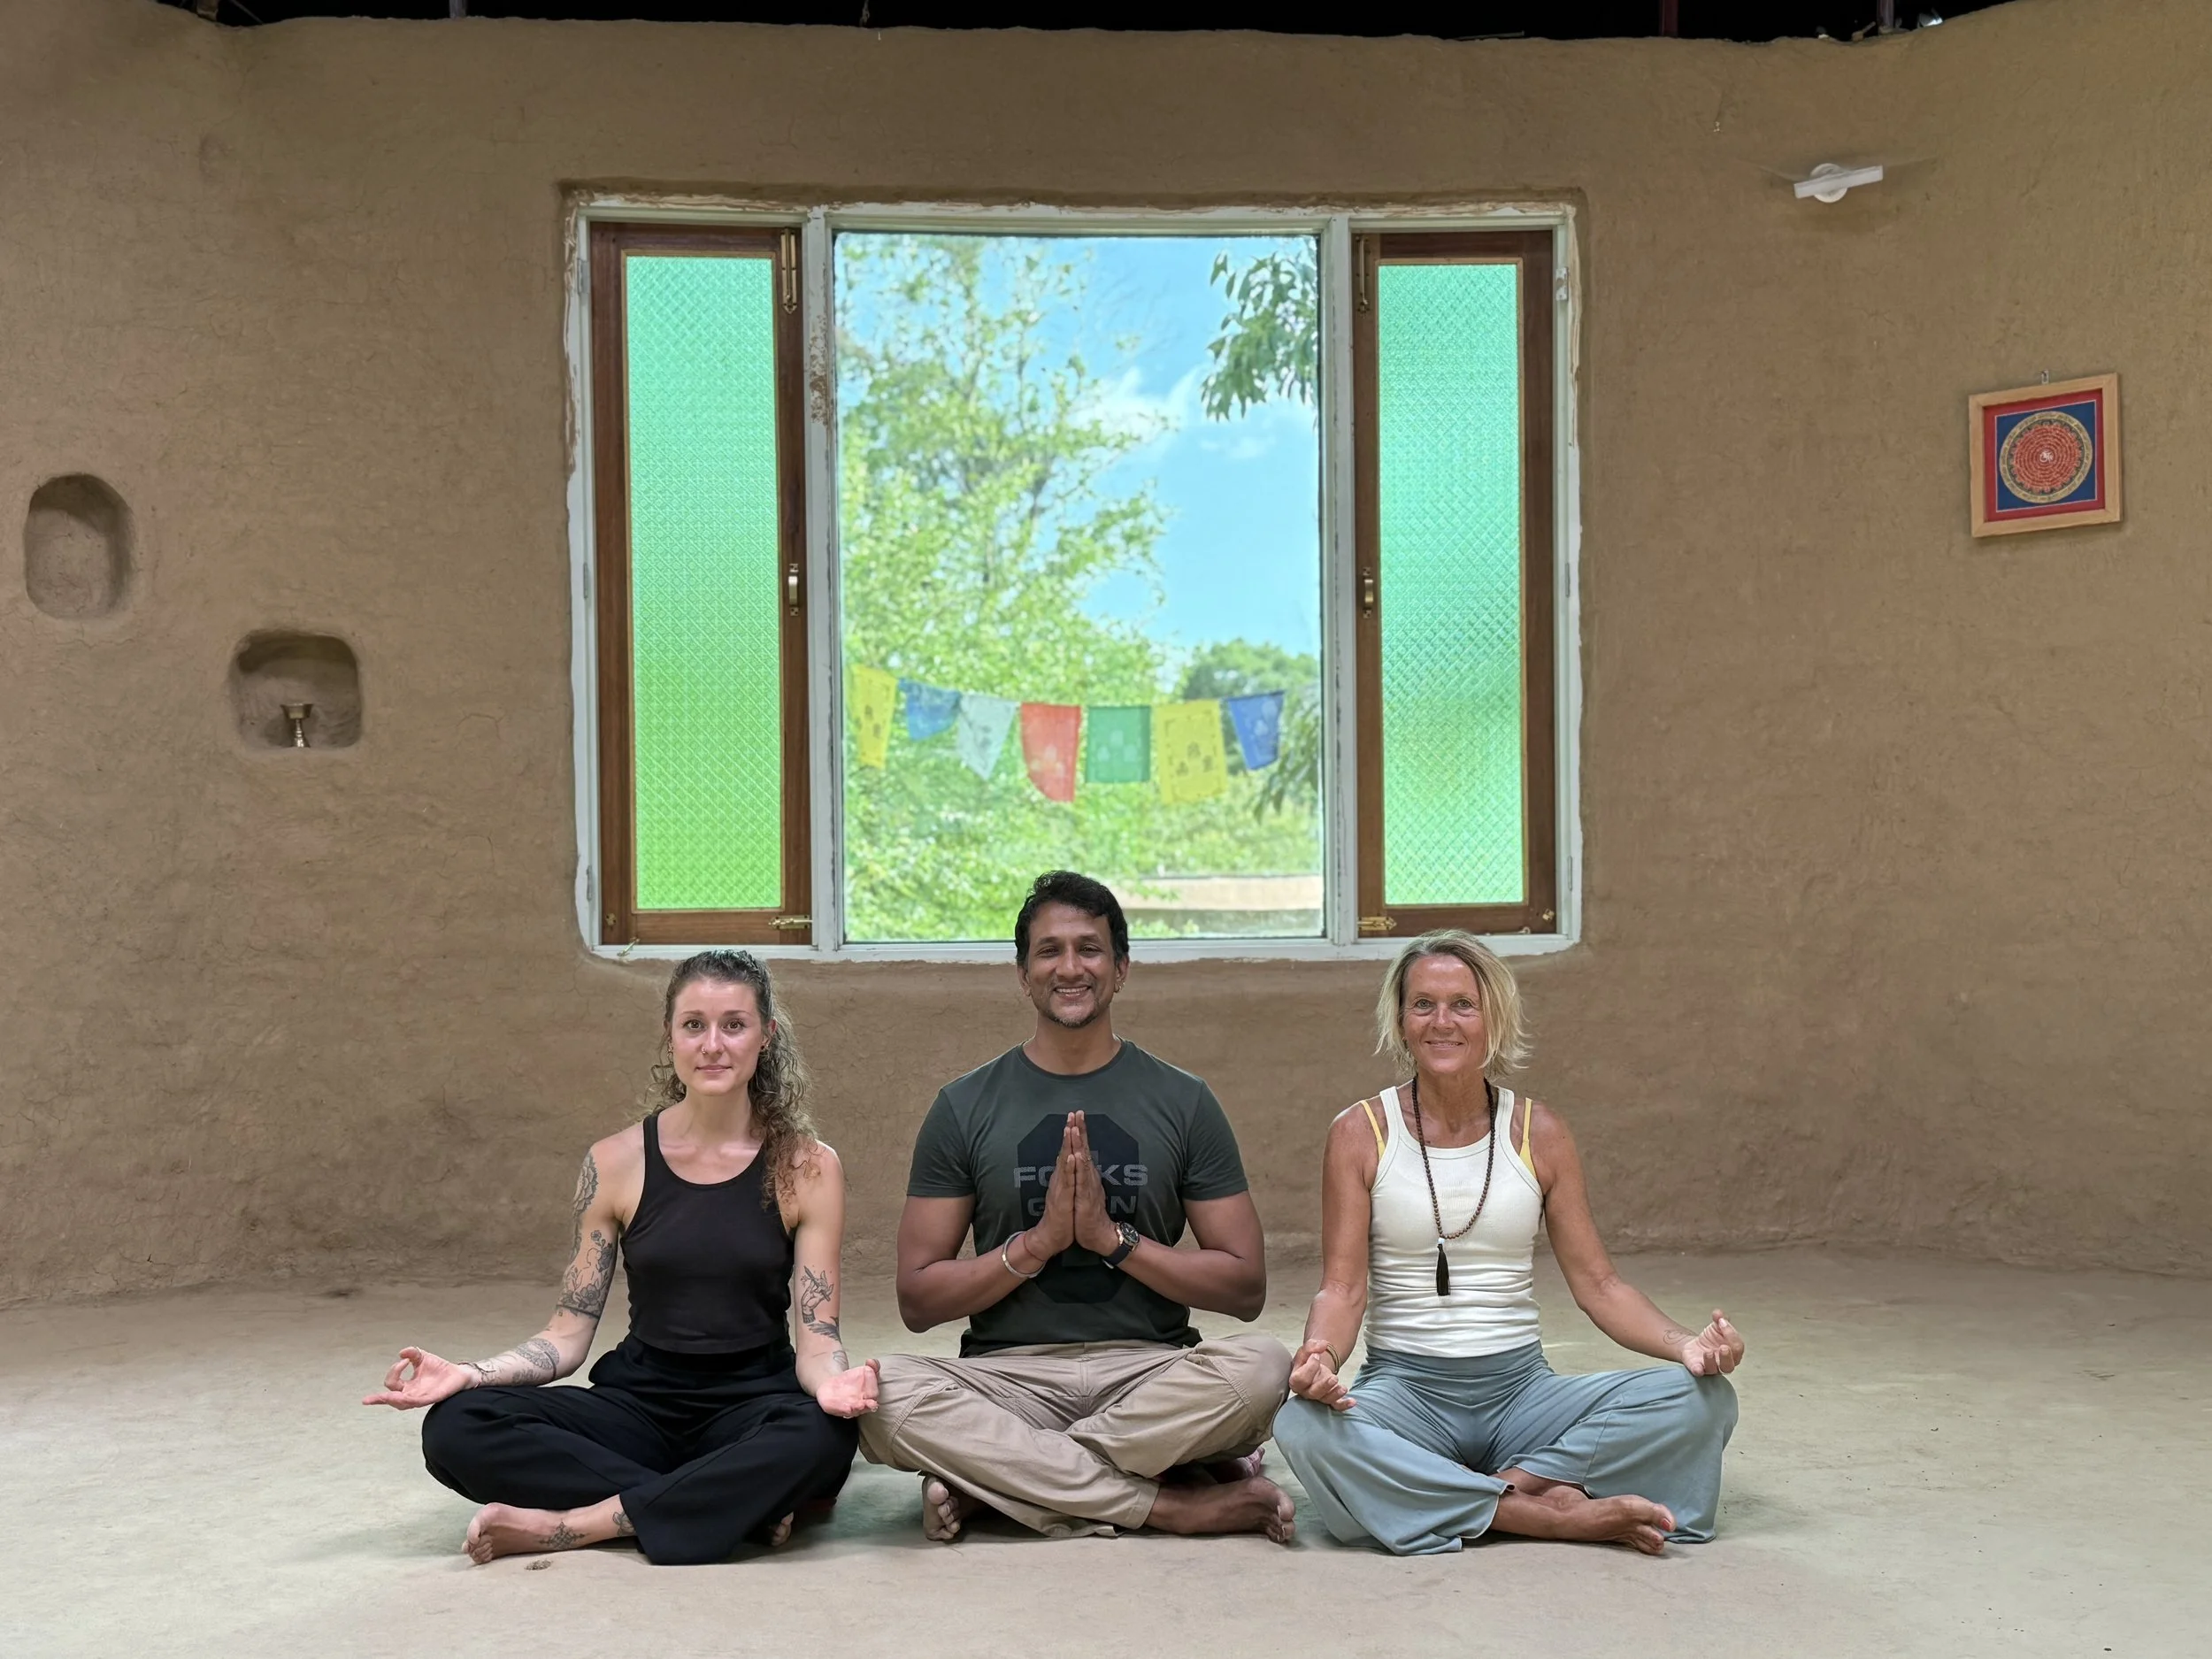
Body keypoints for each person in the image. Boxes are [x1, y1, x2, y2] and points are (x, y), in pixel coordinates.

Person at [363, 949, 875, 1564]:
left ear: (766, 1035)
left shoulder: (809, 1165)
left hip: (754, 1401)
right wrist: (470, 1373)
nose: (713, 1043)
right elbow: (566, 1334)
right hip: (640, 1405)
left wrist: (835, 1383)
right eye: (694, 1024)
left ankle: (581, 1523)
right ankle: (728, 1501)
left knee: (824, 1434)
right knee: (455, 1427)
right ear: (670, 1035)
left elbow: (816, 1335)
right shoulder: (613, 1162)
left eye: (734, 1024)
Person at [856, 871, 1295, 1543]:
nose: (1070, 967)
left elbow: (1244, 1287)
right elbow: (918, 1299)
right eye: (1049, 950)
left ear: (1121, 968)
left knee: (1265, 1366)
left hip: (1149, 1371)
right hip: (1007, 1374)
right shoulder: (964, 1106)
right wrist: (1035, 1245)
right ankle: (1170, 1500)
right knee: (878, 1395)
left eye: (1089, 949)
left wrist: (1112, 1239)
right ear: (1022, 973)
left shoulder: (1183, 1100)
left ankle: (1001, 1484)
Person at [1271, 932, 1741, 1556]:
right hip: (1407, 1392)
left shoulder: (1539, 1131)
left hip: (1522, 1391)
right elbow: (1343, 1286)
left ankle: (1489, 1495)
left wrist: (1689, 1344)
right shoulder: (1360, 1132)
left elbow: (1600, 1286)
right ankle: (1551, 1512)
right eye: (1423, 1004)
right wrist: (1320, 1357)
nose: (1443, 1022)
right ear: (1401, 1020)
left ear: (1493, 1018)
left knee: (1702, 1399)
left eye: (1463, 1004)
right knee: (1301, 1423)